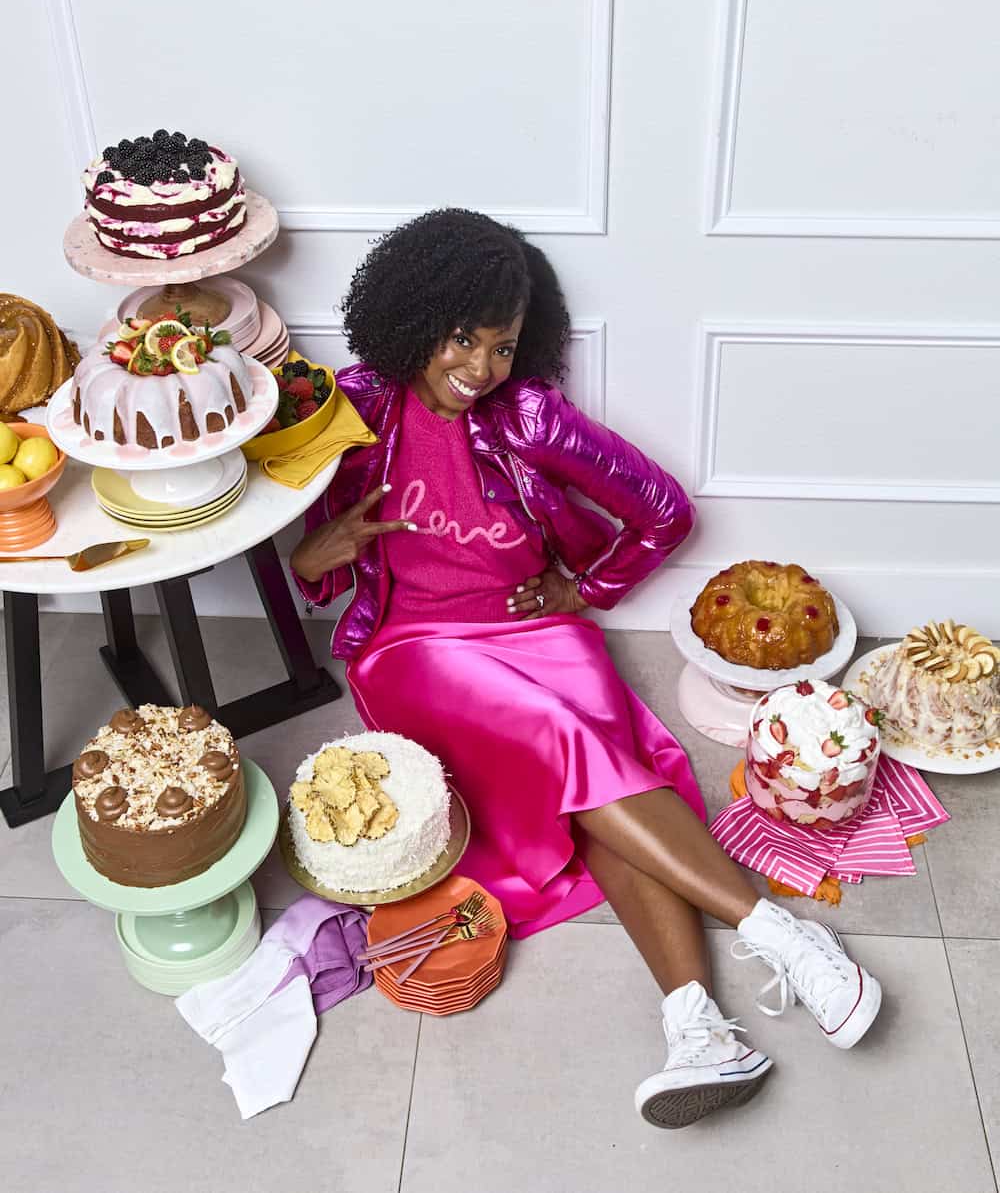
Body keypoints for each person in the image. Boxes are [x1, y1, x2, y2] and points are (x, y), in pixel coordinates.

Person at [291, 208, 882, 1129]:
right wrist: (318, 549)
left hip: (539, 630)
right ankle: (781, 935)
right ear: (414, 319)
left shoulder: (527, 414)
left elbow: (663, 510)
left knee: (600, 787)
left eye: (503, 347)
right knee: (579, 748)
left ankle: (699, 1029)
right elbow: (307, 563)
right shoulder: (356, 407)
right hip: (417, 647)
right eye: (464, 340)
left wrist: (586, 591)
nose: (483, 368)